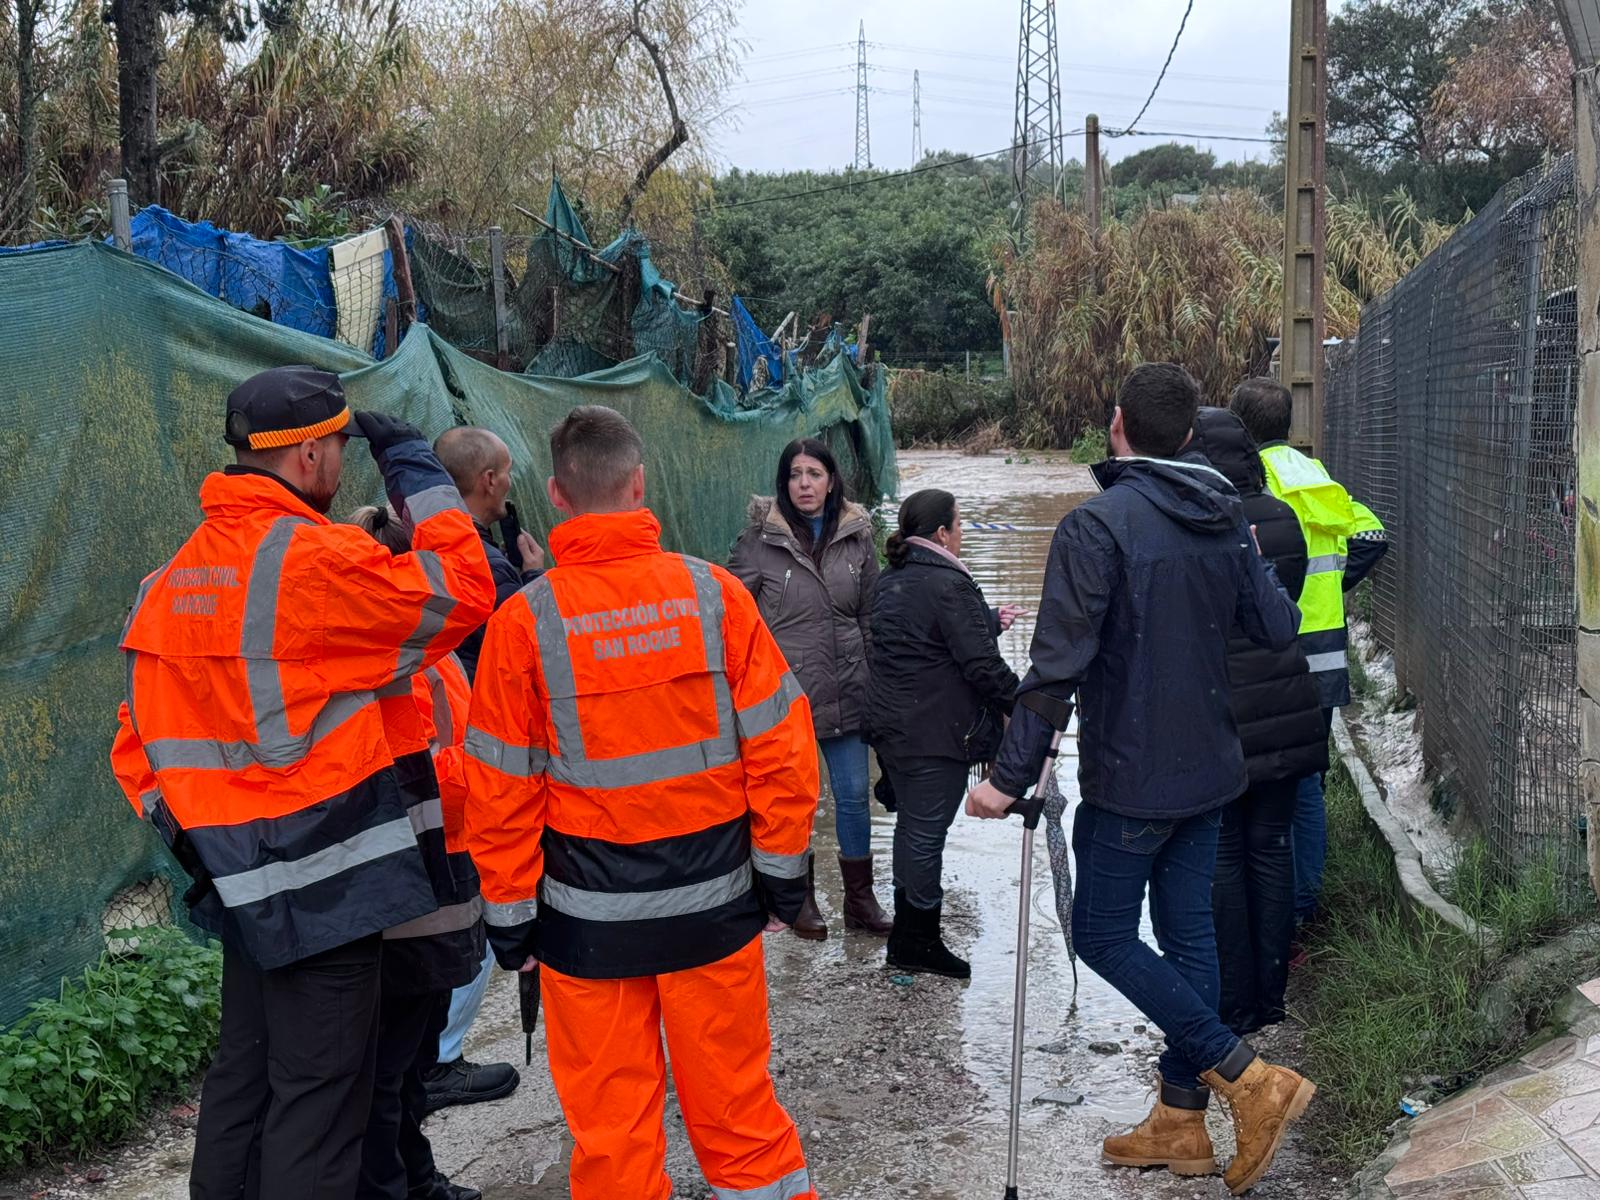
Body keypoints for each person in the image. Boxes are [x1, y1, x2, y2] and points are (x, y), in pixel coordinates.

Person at [108, 365, 494, 1199]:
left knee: (242, 1086)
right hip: (330, 887)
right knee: (322, 1106)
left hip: (241, 885)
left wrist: (203, 843)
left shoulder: (171, 580)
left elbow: (134, 747)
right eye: (341, 452)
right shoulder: (319, 562)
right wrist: (420, 474)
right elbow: (464, 592)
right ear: (312, 453)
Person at [967, 364, 1315, 1196]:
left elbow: (1054, 670)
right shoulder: (1226, 517)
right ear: (1189, 434)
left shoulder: (1097, 525)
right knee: (1189, 933)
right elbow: (1277, 625)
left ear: (1117, 424)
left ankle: (1249, 1078)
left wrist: (1005, 780)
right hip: (1213, 768)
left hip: (1133, 778)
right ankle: (1180, 1123)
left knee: (1102, 935)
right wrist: (1245, 555)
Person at [462, 406, 819, 1200]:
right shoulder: (713, 596)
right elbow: (782, 749)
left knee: (613, 1140)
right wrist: (784, 877)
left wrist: (510, 915)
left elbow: (501, 788)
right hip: (715, 911)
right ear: (640, 483)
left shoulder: (523, 623)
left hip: (587, 929)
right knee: (740, 1120)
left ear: (556, 494)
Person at [351, 505, 485, 1200]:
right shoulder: (384, 656)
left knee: (408, 1057)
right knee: (388, 1061)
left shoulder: (429, 655)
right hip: (406, 885)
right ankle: (396, 1186)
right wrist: (485, 783)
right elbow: (424, 776)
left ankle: (417, 1178)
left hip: (444, 876)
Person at [1187, 408, 1329, 1037]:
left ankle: (1233, 1000)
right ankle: (1271, 996)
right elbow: (1284, 604)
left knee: (1221, 856)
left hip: (1224, 713)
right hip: (1288, 705)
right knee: (1269, 851)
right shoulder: (1281, 515)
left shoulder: (1195, 521)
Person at [1229, 378, 1389, 928]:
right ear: (1289, 425)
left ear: (1240, 430)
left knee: (1264, 784)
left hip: (1276, 649)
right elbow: (1371, 534)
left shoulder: (1258, 481)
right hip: (1326, 648)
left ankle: (1271, 907)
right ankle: (1304, 905)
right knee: (1307, 779)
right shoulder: (1315, 474)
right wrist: (1333, 587)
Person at [422, 426, 545, 1112]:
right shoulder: (485, 569)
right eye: (505, 474)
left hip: (433, 759)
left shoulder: (423, 544)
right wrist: (533, 578)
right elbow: (525, 645)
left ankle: (427, 1053)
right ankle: (437, 1060)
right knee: (474, 910)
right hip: (469, 759)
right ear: (490, 482)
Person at [729, 437, 890, 939]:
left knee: (853, 796)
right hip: (785, 698)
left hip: (848, 688)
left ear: (831, 480)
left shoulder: (856, 536)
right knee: (794, 801)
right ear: (784, 482)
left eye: (814, 473)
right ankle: (797, 900)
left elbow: (870, 614)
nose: (805, 484)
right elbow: (732, 616)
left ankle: (860, 902)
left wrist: (876, 678)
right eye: (796, 474)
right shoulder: (757, 542)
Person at [866, 488, 1022, 980]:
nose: (960, 535)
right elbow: (979, 664)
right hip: (936, 733)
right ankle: (920, 940)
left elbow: (926, 645)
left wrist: (988, 623)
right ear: (941, 533)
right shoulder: (949, 584)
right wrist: (1026, 706)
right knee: (926, 836)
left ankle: (905, 938)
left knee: (911, 829)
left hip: (894, 728)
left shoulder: (891, 581)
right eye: (958, 525)